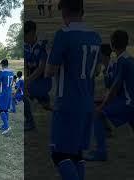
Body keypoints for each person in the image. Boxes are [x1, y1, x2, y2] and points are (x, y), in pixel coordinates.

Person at [45, 0, 101, 179]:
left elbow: (49, 71)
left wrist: (50, 54)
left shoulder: (64, 34)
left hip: (67, 104)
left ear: (64, 12)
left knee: (59, 154)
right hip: (87, 102)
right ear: (82, 11)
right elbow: (97, 69)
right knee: (76, 153)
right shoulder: (95, 36)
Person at [85, 30, 134, 161]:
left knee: (97, 114)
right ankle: (105, 130)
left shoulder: (121, 62)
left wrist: (102, 105)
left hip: (129, 103)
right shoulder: (128, 59)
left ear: (112, 45)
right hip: (129, 101)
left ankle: (101, 152)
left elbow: (114, 89)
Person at [24, 20, 52, 131]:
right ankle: (43, 99)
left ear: (32, 33)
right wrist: (25, 80)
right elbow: (25, 65)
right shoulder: (25, 46)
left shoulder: (42, 45)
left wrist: (27, 82)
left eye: (25, 35)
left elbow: (41, 68)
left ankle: (30, 123)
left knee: (19, 95)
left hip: (43, 82)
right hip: (33, 81)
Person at [0, 59, 14, 135]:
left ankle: (7, 127)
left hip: (3, 93)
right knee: (6, 110)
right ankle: (4, 125)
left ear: (3, 65)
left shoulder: (1, 72)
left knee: (0, 110)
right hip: (9, 92)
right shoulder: (12, 72)